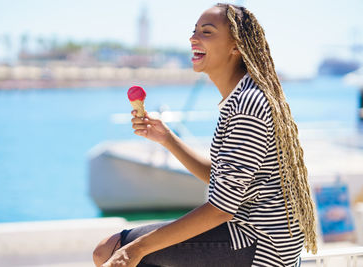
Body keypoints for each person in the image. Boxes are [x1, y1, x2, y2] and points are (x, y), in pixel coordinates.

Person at [93, 3, 317, 267]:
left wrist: (135, 250)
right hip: (258, 238)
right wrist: (167, 139)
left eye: (206, 32)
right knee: (114, 250)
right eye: (194, 30)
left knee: (109, 249)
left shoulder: (248, 105)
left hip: (259, 244)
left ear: (236, 46)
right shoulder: (240, 98)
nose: (193, 38)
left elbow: (221, 209)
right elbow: (222, 181)